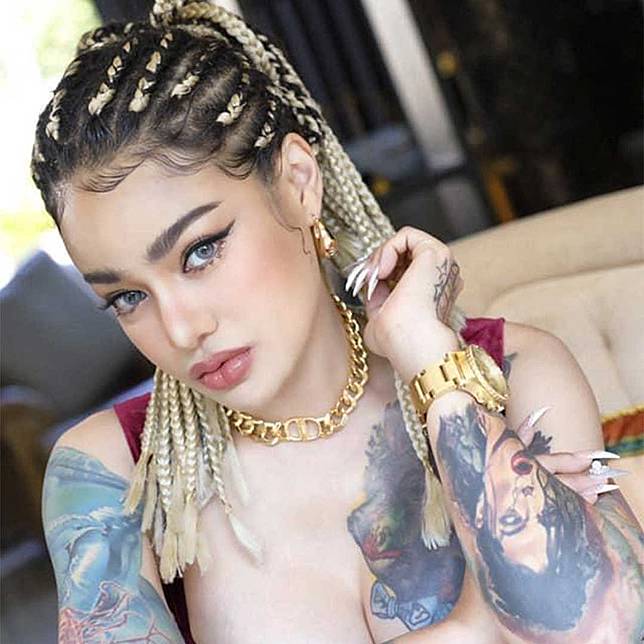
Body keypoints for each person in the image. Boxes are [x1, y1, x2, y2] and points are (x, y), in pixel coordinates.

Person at [33, 2, 643, 642]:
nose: (181, 330)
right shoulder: (109, 473)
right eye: (127, 297)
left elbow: (600, 630)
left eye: (201, 252)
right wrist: (475, 624)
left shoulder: (514, 373)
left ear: (298, 184)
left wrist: (431, 362)